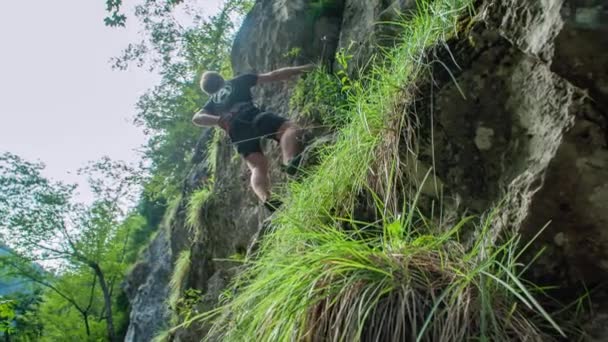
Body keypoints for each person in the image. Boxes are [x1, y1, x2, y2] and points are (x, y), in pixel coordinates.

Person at [192, 64, 314, 211]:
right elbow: (273, 75)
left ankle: (266, 198)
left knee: (257, 166)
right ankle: (291, 162)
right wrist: (303, 68)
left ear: (209, 91)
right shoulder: (237, 81)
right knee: (288, 129)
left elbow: (197, 118)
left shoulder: (211, 103)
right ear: (220, 78)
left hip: (236, 130)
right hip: (251, 115)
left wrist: (217, 120)